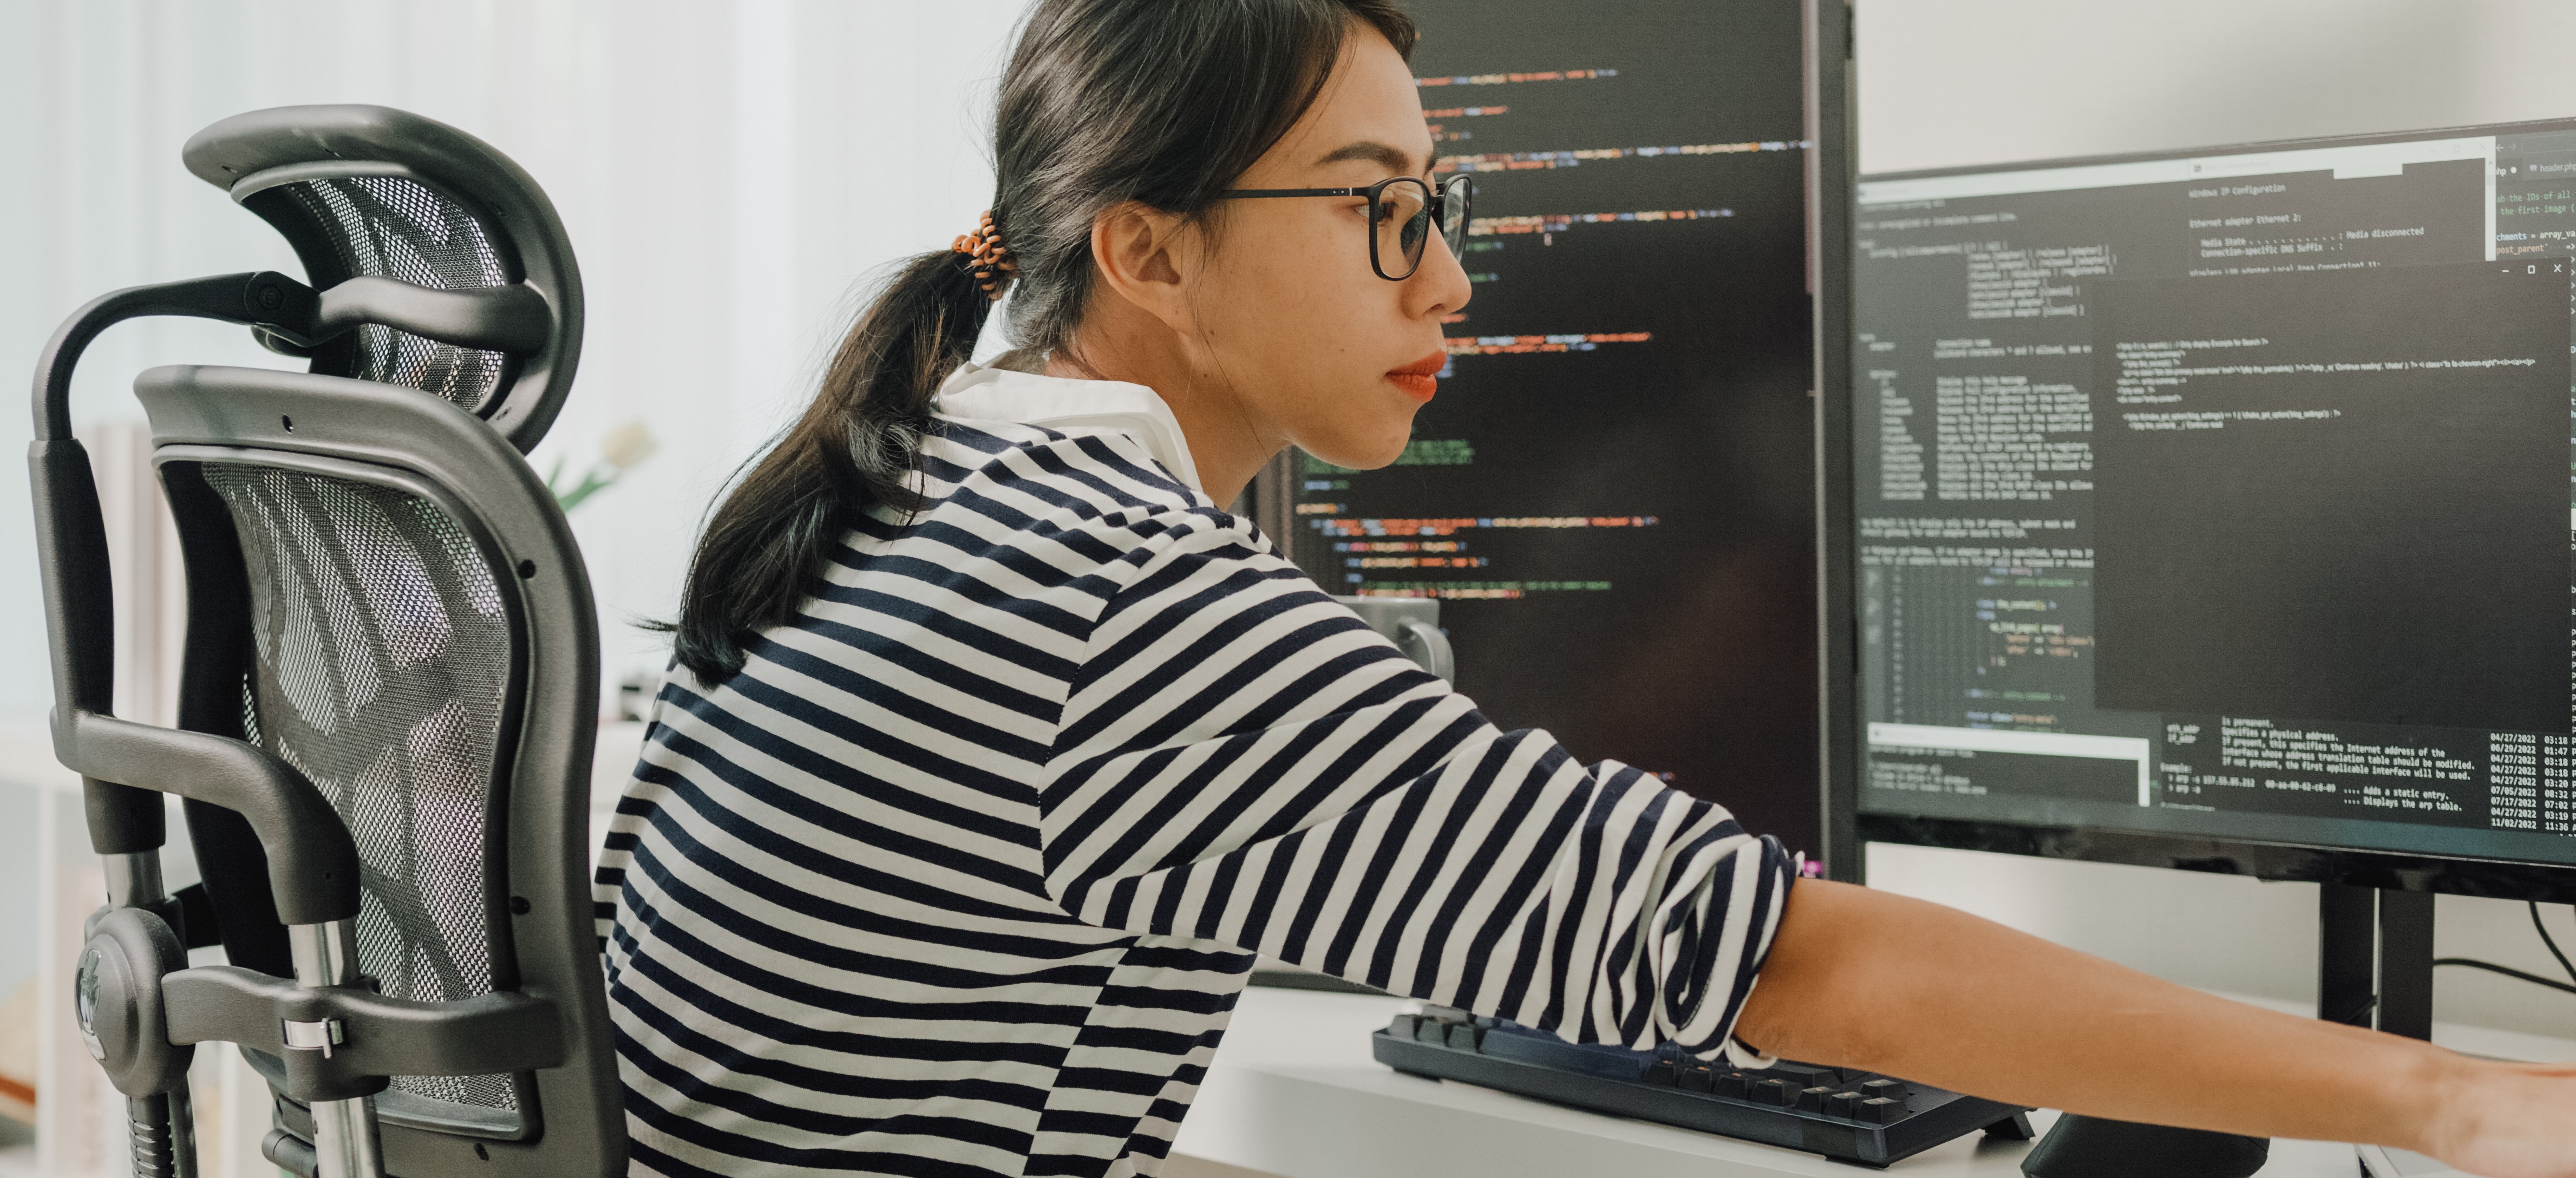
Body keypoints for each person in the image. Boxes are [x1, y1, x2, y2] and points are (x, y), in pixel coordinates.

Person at [595, 1, 2576, 1175]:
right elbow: (1798, 970)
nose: (1449, 278)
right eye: (1382, 215)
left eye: (1438, 209)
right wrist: (2464, 1107)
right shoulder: (1128, 612)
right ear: (1150, 250)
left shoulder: (894, 479)